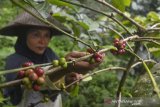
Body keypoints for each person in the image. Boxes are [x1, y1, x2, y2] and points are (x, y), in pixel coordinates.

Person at [0, 9, 104, 107]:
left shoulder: (50, 54)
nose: (43, 41)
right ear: (23, 37)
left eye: (46, 35)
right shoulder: (14, 61)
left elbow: (58, 85)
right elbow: (33, 81)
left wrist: (68, 80)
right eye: (36, 35)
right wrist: (65, 68)